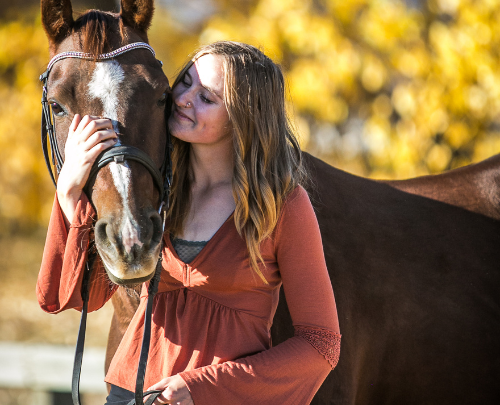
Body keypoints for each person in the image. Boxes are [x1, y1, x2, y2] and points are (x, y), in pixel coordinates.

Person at [37, 41, 341, 405]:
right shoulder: (155, 189)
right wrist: (70, 189)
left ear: (243, 116)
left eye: (206, 98)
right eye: (185, 83)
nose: (183, 98)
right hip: (127, 394)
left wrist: (205, 386)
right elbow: (79, 296)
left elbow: (321, 344)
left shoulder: (282, 206)